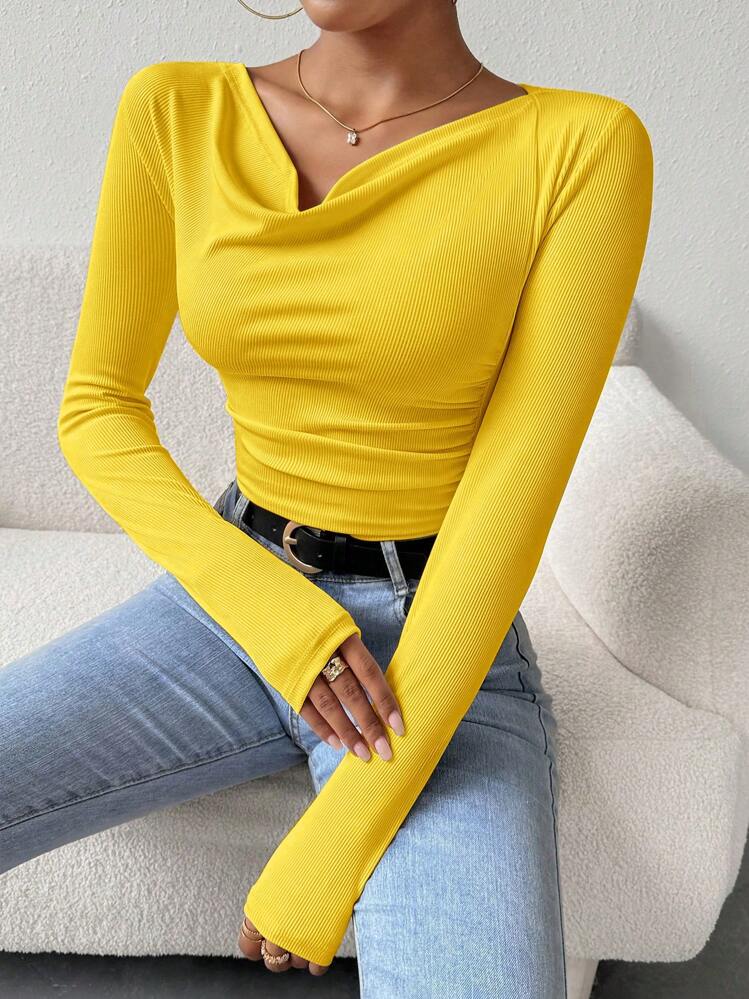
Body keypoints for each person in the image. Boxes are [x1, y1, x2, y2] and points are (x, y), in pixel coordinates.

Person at [0, 1, 653, 995]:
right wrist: (277, 622)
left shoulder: (579, 144)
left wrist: (334, 843)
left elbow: (513, 492)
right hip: (231, 602)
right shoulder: (175, 108)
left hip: (438, 642)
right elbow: (97, 409)